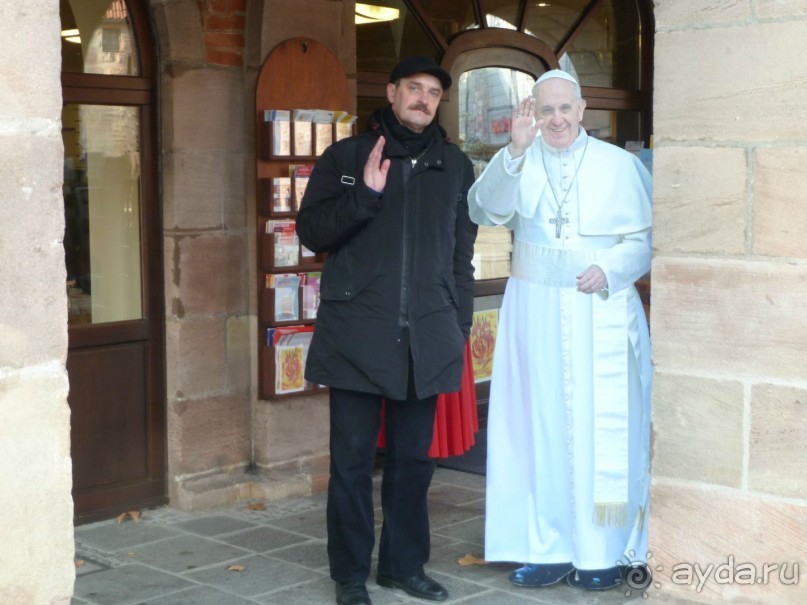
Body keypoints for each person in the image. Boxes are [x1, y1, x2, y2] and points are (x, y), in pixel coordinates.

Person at [296, 56, 478, 605]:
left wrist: (458, 325)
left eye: (433, 92)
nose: (424, 99)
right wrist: (367, 195)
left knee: (413, 463)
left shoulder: (455, 165)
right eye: (415, 89)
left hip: (425, 339)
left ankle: (404, 566)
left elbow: (460, 256)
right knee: (351, 463)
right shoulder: (347, 157)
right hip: (357, 333)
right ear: (393, 92)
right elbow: (312, 233)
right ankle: (350, 576)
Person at [468, 69, 652, 591]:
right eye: (545, 110)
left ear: (582, 108)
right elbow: (483, 208)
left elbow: (643, 239)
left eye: (564, 109)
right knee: (538, 423)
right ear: (532, 113)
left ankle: (605, 551)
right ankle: (545, 547)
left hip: (601, 310)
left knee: (602, 429)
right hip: (535, 314)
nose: (556, 120)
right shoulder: (518, 160)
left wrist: (612, 270)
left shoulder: (619, 165)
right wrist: (513, 152)